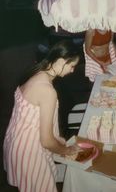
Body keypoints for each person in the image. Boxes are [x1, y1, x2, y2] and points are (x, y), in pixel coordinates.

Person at [3, 40, 81, 192]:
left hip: (17, 142)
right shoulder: (47, 91)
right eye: (72, 66)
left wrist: (59, 143)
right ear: (60, 61)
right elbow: (46, 141)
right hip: (30, 151)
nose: (72, 71)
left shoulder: (35, 73)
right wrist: (67, 150)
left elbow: (34, 121)